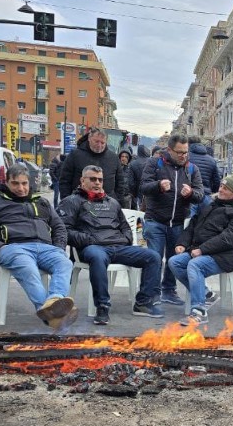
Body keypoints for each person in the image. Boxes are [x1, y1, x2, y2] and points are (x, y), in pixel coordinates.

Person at [0, 164, 78, 330]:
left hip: (46, 248)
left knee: (65, 263)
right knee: (28, 269)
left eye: (24, 183)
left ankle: (55, 302)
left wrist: (58, 248)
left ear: (29, 183)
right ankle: (54, 315)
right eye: (15, 183)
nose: (21, 188)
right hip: (14, 248)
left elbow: (59, 227)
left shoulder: (41, 202)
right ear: (6, 182)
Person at [57, 165, 164, 325]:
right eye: (92, 179)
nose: (97, 183)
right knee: (98, 257)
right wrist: (89, 239)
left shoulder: (112, 202)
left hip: (118, 247)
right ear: (82, 180)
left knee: (153, 257)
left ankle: (143, 303)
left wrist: (125, 239)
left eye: (100, 179)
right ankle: (102, 306)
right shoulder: (72, 201)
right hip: (93, 247)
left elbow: (125, 227)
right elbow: (63, 230)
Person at [170, 172, 233, 326]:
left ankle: (199, 311)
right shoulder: (212, 205)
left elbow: (229, 238)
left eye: (226, 188)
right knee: (175, 262)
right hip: (201, 250)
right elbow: (193, 225)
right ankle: (207, 294)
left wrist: (202, 250)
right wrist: (181, 243)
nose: (221, 189)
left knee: (195, 265)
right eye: (221, 186)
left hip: (226, 255)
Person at [140, 133, 205, 306]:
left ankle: (169, 290)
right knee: (154, 259)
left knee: (173, 259)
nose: (183, 156)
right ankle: (151, 294)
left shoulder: (192, 169)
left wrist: (191, 193)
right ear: (169, 150)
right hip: (155, 220)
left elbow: (200, 194)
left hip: (178, 223)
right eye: (179, 152)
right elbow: (144, 187)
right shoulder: (155, 163)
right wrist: (158, 186)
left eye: (186, 152)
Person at [58, 127, 128, 205]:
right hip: (79, 205)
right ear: (89, 139)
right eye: (96, 141)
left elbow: (120, 183)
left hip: (107, 206)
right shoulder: (75, 155)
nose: (99, 145)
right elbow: (65, 181)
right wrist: (66, 202)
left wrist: (117, 203)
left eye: (102, 143)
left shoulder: (113, 158)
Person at [188, 136, 221, 213]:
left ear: (188, 144)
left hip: (191, 195)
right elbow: (217, 181)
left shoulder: (186, 157)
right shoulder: (211, 160)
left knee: (188, 222)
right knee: (205, 221)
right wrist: (212, 192)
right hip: (206, 196)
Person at [127, 145, 152, 210]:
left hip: (138, 193)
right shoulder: (151, 162)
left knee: (138, 212)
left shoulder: (133, 164)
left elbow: (131, 182)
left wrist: (134, 194)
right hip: (150, 192)